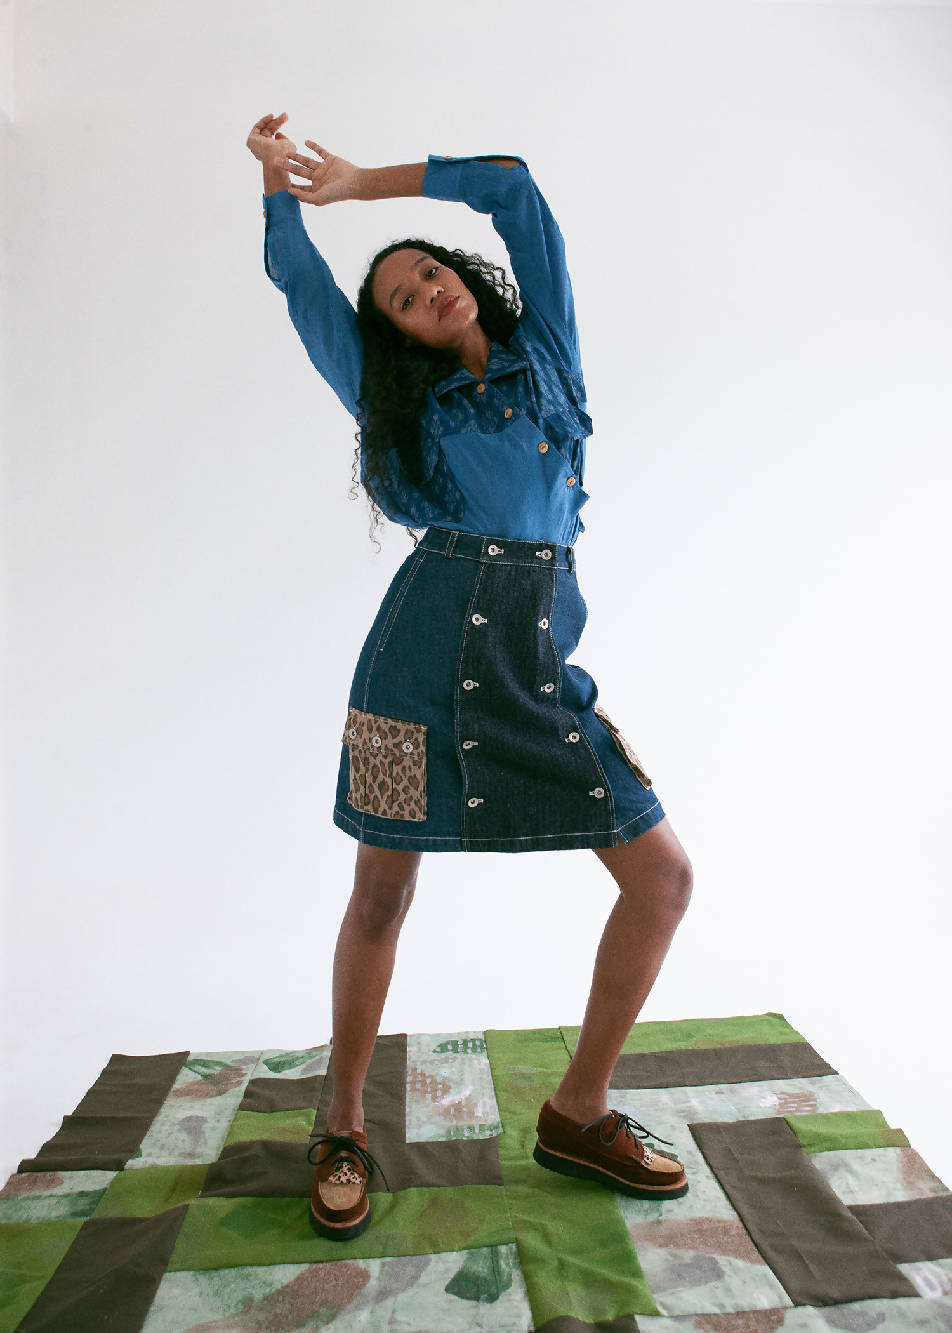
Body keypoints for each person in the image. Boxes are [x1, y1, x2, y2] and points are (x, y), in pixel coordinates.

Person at [246, 112, 695, 1242]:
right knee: (381, 894)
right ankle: (342, 1122)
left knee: (661, 877)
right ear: (394, 334)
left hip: (534, 669)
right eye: (401, 299)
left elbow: (513, 186)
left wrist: (362, 184)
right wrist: (281, 193)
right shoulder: (392, 402)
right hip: (408, 675)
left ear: (463, 277)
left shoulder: (550, 355)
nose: (425, 292)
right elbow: (303, 290)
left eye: (429, 272)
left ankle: (577, 1111)